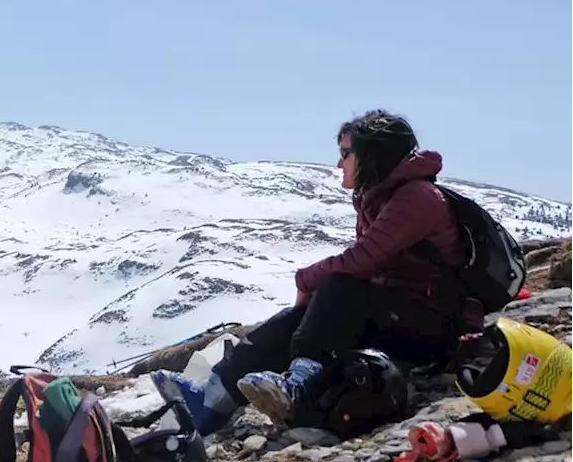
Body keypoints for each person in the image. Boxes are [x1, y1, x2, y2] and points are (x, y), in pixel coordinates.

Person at [152, 109, 479, 434]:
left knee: (339, 286)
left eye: (346, 153)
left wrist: (306, 279)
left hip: (434, 328)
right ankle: (211, 400)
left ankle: (299, 387)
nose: (340, 163)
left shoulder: (416, 198)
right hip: (400, 316)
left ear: (373, 154)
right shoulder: (379, 198)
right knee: (297, 319)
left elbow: (361, 261)